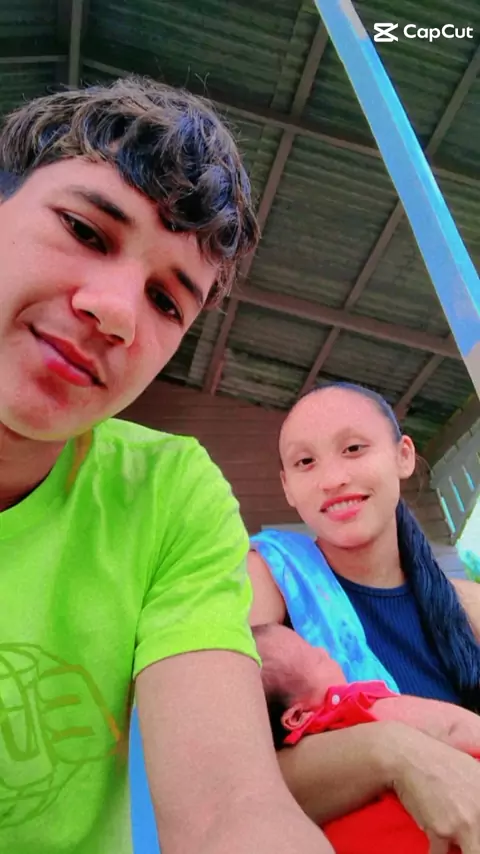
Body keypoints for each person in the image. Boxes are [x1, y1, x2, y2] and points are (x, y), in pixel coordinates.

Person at [0, 77, 333, 854]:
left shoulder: (168, 494)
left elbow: (228, 808)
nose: (116, 312)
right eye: (85, 230)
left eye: (166, 301)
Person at [248, 381, 480, 853]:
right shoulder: (271, 580)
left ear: (403, 456)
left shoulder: (469, 607)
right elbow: (231, 775)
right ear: (287, 486)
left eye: (353, 449)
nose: (332, 478)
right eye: (305, 462)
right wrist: (391, 751)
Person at [254, 622, 480, 854]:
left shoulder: (302, 778)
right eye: (316, 659)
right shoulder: (357, 702)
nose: (322, 650)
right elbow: (450, 726)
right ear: (297, 716)